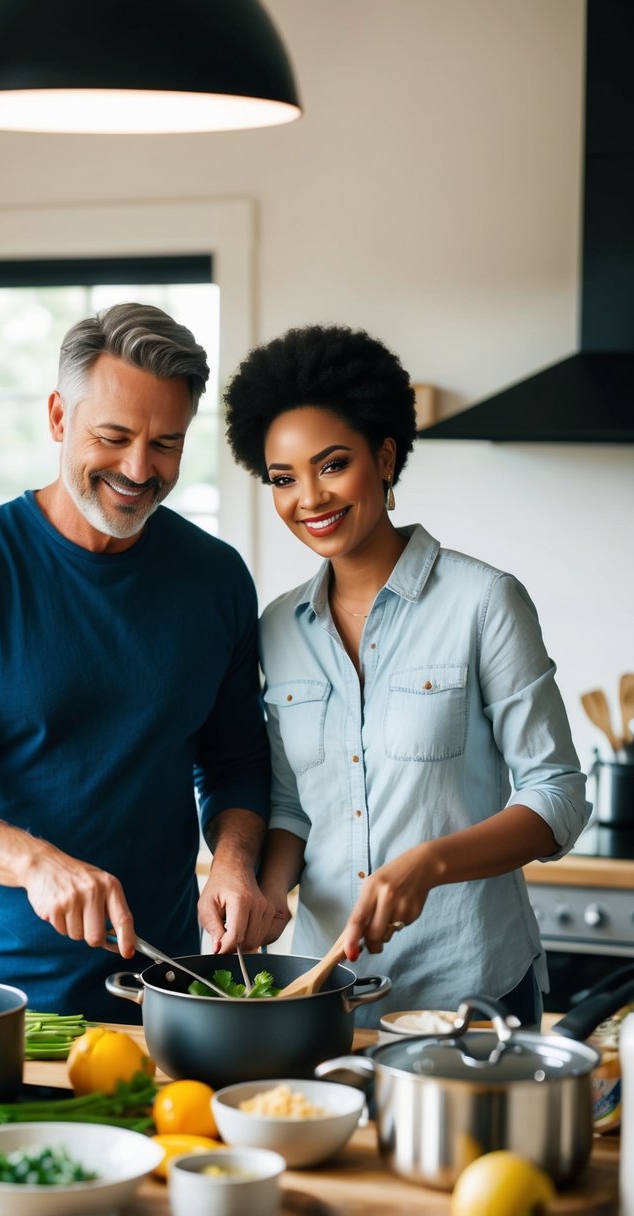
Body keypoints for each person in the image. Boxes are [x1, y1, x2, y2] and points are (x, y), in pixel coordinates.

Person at [0, 302, 272, 1022]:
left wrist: (233, 861)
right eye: (113, 436)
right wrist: (31, 861)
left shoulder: (216, 579)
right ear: (56, 417)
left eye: (166, 443)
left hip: (161, 991)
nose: (140, 469)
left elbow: (233, 761)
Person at [223, 322, 590, 1026]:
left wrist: (430, 861)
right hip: (324, 991)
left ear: (384, 457)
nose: (309, 498)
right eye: (282, 478)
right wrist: (268, 891)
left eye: (332, 465)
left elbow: (557, 797)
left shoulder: (483, 601)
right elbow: (292, 805)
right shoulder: (274, 628)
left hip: (471, 992)